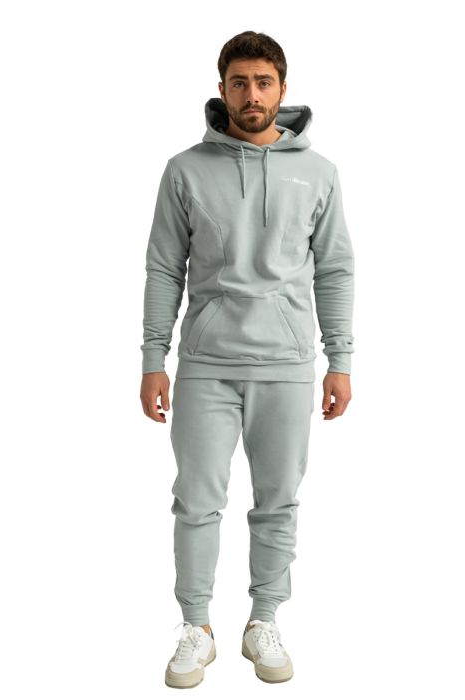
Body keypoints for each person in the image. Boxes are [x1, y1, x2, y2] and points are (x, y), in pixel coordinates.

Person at [139, 30, 355, 688]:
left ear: (283, 90)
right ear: (222, 89)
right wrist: (153, 358)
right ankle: (196, 628)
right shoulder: (184, 170)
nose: (251, 94)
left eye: (263, 82)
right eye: (239, 83)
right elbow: (163, 268)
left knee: (278, 502)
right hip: (206, 363)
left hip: (287, 363)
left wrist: (340, 359)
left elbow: (335, 269)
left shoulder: (319, 173)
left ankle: (263, 620)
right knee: (195, 501)